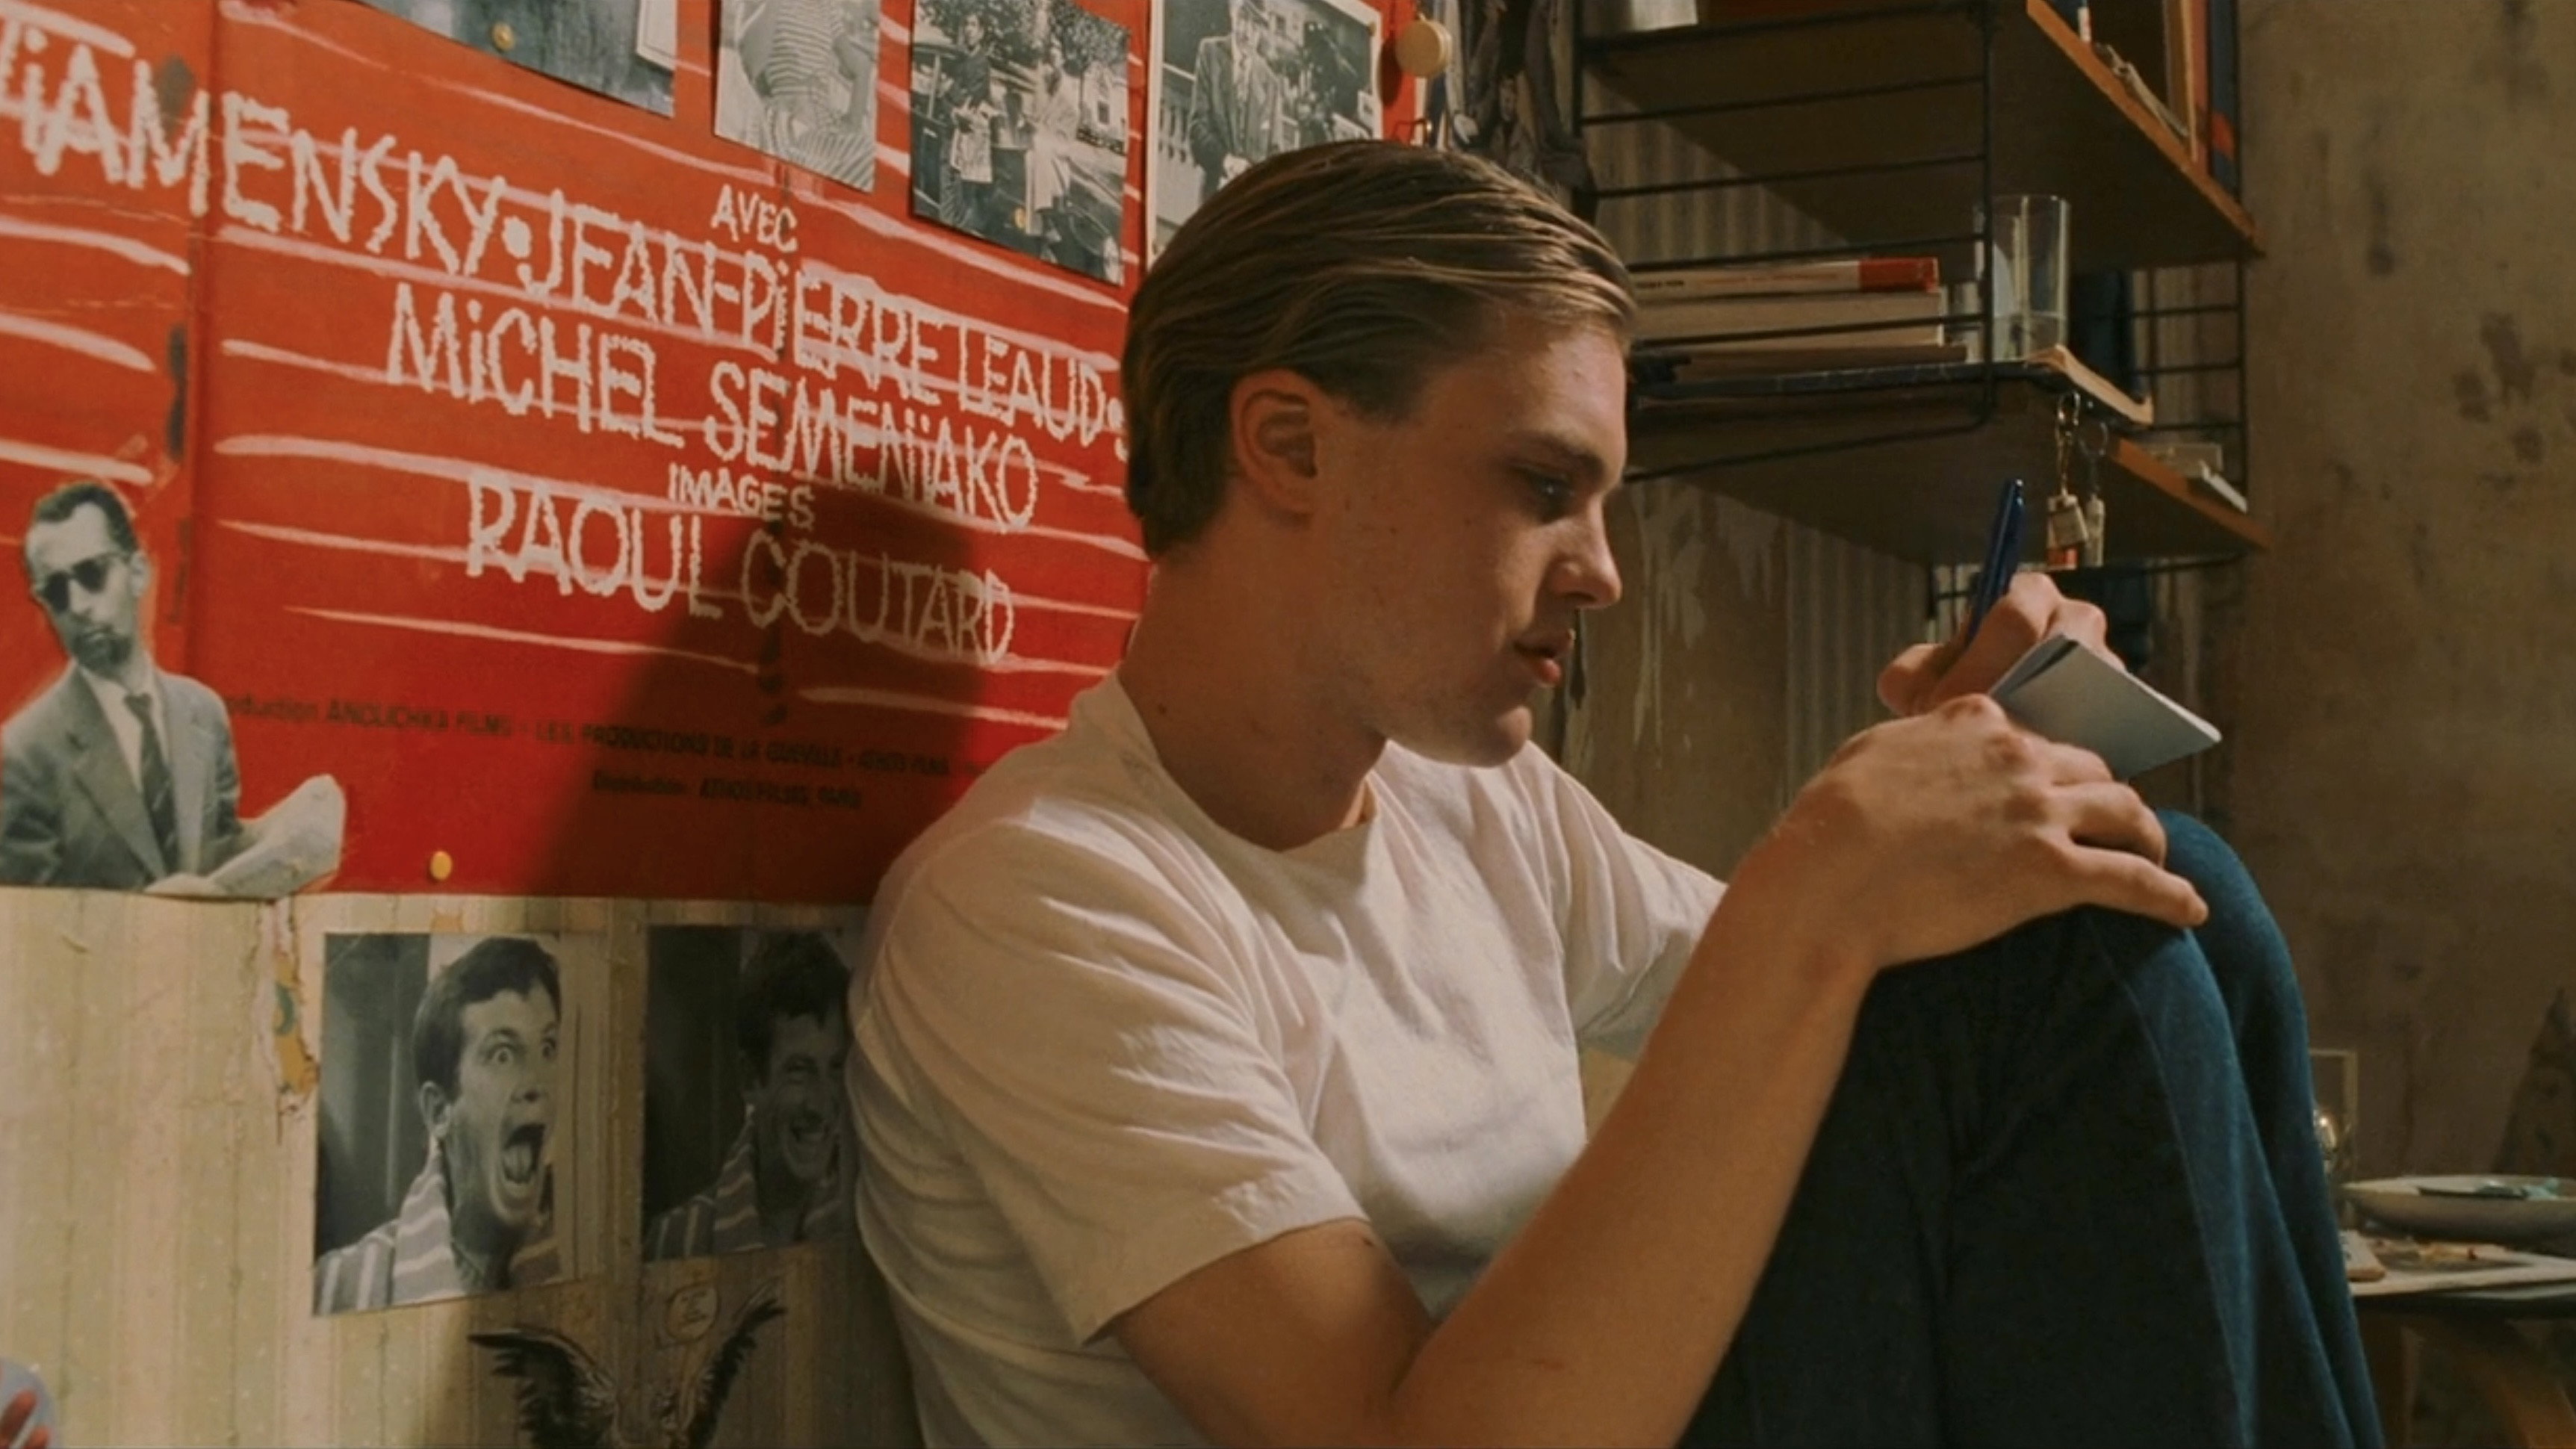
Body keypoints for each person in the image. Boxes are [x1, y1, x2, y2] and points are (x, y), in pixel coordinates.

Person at [851, 140, 2379, 1447]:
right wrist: (1822, 874)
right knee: (2070, 951)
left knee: (2156, 880)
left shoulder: (1477, 807)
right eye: (1540, 486)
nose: (1600, 572)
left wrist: (1982, 761)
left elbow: (1870, 1019)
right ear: (1288, 445)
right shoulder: (1041, 901)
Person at [2, 480, 249, 891]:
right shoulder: (25, 754)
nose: (79, 606)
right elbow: (29, 922)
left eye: (92, 574)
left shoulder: (204, 714)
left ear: (137, 573)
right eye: (56, 591)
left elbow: (223, 855)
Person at [313, 937, 562, 1314]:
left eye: (547, 1049)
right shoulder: (336, 1287)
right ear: (439, 1111)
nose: (536, 1083)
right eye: (503, 1054)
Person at [647, 931, 857, 1259]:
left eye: (835, 1069)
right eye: (799, 1070)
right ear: (750, 1080)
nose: (820, 1104)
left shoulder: (867, 1224)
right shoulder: (679, 1241)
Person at [1184, 0, 1289, 205]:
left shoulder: (1271, 83)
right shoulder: (1210, 53)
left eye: (1256, 24)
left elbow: (1276, 155)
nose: (1247, 32)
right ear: (1232, 13)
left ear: (1263, 30)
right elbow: (1197, 129)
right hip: (1214, 196)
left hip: (1252, 205)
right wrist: (1227, 162)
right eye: (1243, 18)